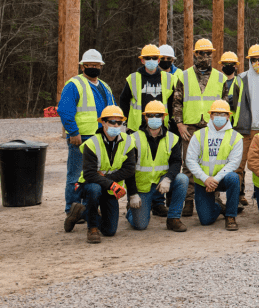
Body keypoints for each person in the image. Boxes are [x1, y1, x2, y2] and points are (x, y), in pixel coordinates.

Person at [172, 38, 230, 217]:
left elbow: (225, 105)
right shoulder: (183, 75)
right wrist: (180, 124)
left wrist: (223, 127)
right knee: (189, 164)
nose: (205, 57)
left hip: (213, 127)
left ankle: (214, 198)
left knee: (214, 164)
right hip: (189, 127)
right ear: (195, 55)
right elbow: (177, 102)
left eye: (208, 54)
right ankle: (188, 202)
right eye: (201, 53)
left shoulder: (221, 78)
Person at [57, 48, 115, 221]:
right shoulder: (74, 85)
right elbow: (65, 110)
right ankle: (72, 209)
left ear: (101, 67)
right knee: (75, 175)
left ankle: (88, 208)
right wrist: (73, 132)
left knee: (95, 176)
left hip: (101, 139)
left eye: (96, 65)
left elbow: (113, 111)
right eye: (90, 65)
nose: (93, 67)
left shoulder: (105, 87)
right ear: (83, 67)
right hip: (81, 138)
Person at [65, 106, 136, 244]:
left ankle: (81, 212)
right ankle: (92, 228)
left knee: (110, 231)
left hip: (109, 188)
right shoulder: (91, 143)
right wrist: (110, 183)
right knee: (94, 189)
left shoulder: (128, 141)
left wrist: (106, 180)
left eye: (119, 123)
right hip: (92, 185)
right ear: (103, 122)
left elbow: (129, 169)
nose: (116, 125)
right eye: (112, 122)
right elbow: (90, 174)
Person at [124, 101, 188, 233]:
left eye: (158, 115)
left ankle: (173, 218)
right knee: (140, 225)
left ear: (164, 117)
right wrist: (133, 194)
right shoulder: (133, 139)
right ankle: (131, 211)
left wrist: (168, 179)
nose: (154, 118)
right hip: (142, 186)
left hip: (162, 182)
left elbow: (176, 162)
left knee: (182, 179)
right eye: (150, 115)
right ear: (145, 117)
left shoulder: (172, 138)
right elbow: (128, 169)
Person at [187, 99, 244, 230]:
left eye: (223, 114)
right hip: (203, 181)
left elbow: (234, 163)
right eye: (216, 114)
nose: (219, 117)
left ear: (228, 116)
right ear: (210, 116)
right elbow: (190, 160)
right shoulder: (199, 135)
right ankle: (219, 206)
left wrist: (215, 179)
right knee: (206, 221)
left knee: (234, 178)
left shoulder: (236, 137)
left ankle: (230, 216)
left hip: (223, 179)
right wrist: (205, 178)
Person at [231, 44, 259, 207]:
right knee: (238, 166)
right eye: (254, 59)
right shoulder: (241, 79)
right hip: (244, 131)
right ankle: (235, 199)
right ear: (249, 61)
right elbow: (234, 105)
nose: (258, 62)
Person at [119, 44, 175, 133]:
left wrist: (172, 123)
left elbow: (172, 102)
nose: (151, 60)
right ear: (142, 60)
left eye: (154, 58)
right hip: (137, 128)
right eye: (148, 58)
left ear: (159, 60)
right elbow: (124, 100)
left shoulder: (169, 78)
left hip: (161, 127)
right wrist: (125, 121)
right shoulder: (133, 78)